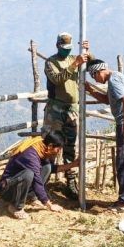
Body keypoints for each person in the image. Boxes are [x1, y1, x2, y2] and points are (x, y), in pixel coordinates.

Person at [84, 59, 124, 211]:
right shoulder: (117, 77)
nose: (96, 80)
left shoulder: (114, 81)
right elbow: (108, 100)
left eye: (94, 76)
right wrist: (91, 90)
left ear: (99, 72)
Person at [43, 32, 90, 200]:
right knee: (50, 144)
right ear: (57, 46)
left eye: (69, 49)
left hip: (72, 109)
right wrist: (74, 64)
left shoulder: (74, 59)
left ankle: (70, 181)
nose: (67, 52)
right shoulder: (51, 62)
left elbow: (93, 66)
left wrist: (87, 52)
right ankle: (42, 181)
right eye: (64, 49)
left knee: (70, 146)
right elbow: (57, 79)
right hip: (55, 110)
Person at [0, 130, 79, 219]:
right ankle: (16, 207)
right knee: (28, 174)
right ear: (50, 146)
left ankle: (31, 197)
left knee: (47, 167)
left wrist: (73, 164)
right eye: (58, 149)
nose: (58, 152)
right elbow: (37, 181)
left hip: (16, 185)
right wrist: (49, 205)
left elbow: (52, 168)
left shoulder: (41, 147)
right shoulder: (30, 155)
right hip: (7, 190)